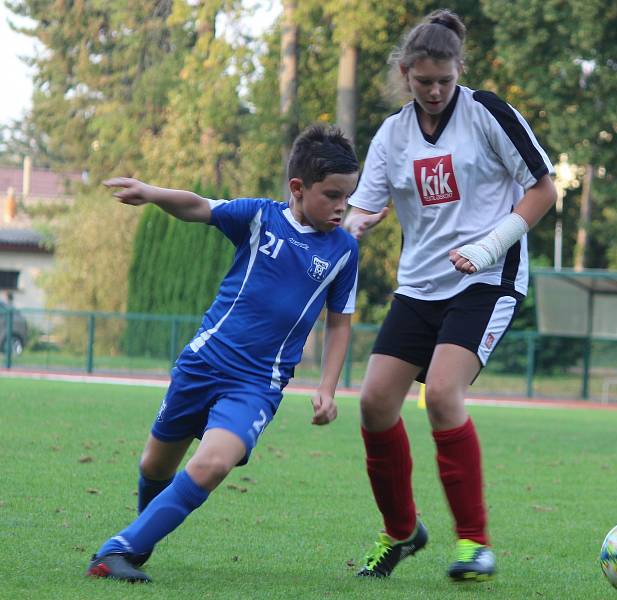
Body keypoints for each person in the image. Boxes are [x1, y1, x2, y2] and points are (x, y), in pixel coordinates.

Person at [86, 124, 360, 583]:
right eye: (332, 195)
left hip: (257, 385)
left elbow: (339, 322)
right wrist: (152, 193)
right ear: (298, 188)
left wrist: (327, 388)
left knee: (213, 463)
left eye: (347, 197)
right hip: (203, 364)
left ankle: (118, 550)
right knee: (155, 466)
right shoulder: (258, 218)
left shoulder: (343, 252)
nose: (341, 207)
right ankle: (142, 537)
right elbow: (198, 205)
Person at [344, 9, 557, 582]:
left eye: (444, 80)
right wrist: (352, 225)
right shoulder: (393, 132)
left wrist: (490, 247)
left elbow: (544, 189)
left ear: (459, 70)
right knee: (373, 403)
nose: (435, 91)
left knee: (441, 394)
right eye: (423, 81)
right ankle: (401, 532)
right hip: (419, 286)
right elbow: (367, 203)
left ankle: (475, 543)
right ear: (405, 75)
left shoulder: (487, 113)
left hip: (487, 281)